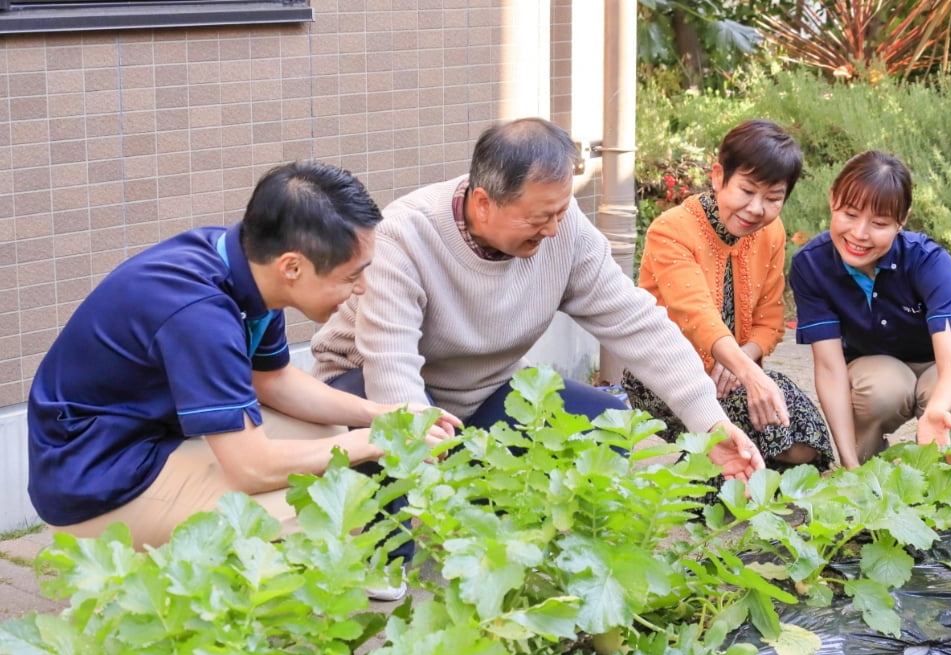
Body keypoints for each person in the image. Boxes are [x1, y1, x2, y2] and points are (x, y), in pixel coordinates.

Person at [27, 161, 460, 560]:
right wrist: (377, 441)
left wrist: (383, 414)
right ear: (293, 267)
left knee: (323, 434)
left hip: (151, 440)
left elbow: (272, 380)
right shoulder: (198, 315)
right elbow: (251, 467)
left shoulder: (244, 265)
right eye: (351, 275)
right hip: (99, 483)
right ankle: (151, 597)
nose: (363, 287)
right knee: (321, 508)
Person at [311, 117, 764, 481]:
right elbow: (392, 372)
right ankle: (389, 572)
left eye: (561, 212)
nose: (552, 229)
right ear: (484, 203)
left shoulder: (564, 233)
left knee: (612, 431)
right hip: (366, 386)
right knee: (399, 442)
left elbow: (640, 326)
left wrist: (710, 423)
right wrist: (430, 463)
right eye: (539, 217)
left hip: (487, 392)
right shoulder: (406, 236)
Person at [622, 119, 834, 473]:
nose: (756, 208)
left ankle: (710, 464)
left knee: (806, 446)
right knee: (759, 434)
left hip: (733, 372)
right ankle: (708, 467)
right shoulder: (672, 230)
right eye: (747, 190)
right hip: (666, 371)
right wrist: (749, 375)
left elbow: (770, 322)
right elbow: (696, 314)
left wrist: (741, 363)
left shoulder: (772, 233)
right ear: (718, 176)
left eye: (772, 198)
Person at [789, 150, 951, 468]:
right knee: (881, 389)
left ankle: (947, 475)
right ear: (832, 199)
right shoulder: (811, 265)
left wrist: (936, 411)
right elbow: (830, 369)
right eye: (849, 214)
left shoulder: (928, 261)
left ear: (901, 221)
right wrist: (848, 464)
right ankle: (863, 465)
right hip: (879, 366)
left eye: (879, 223)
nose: (860, 234)